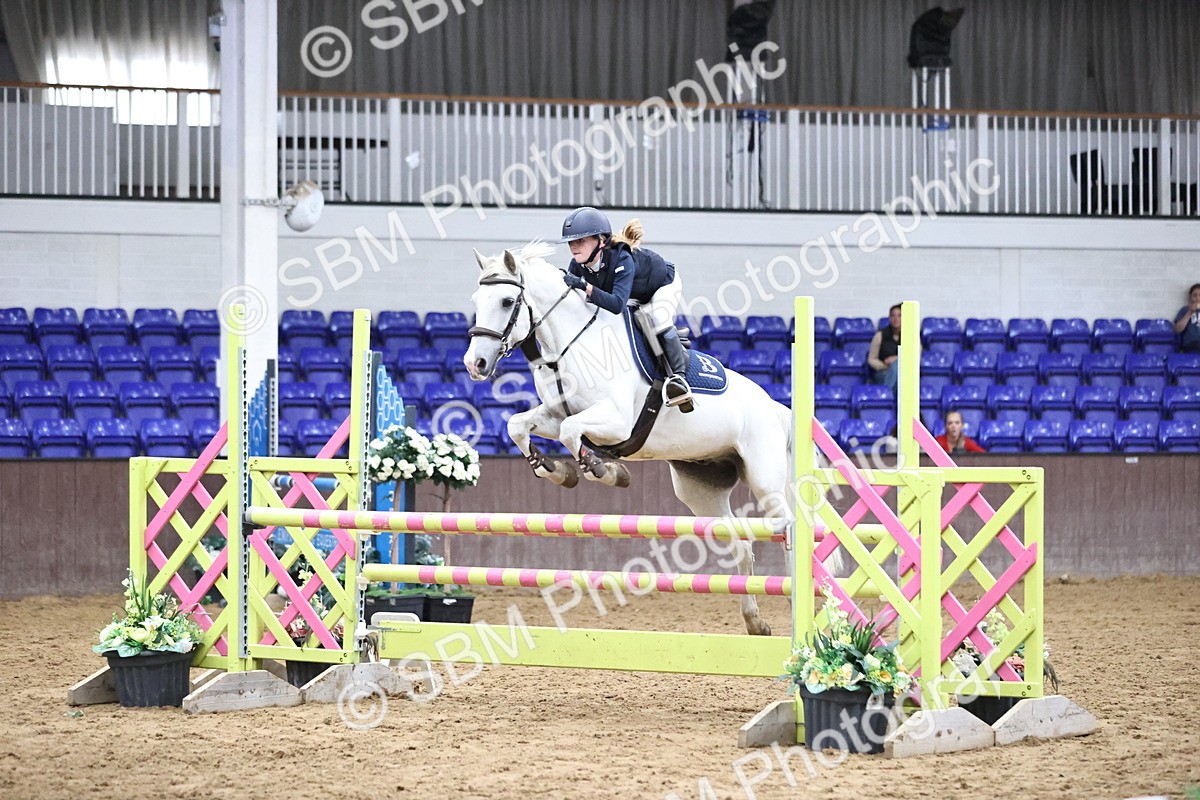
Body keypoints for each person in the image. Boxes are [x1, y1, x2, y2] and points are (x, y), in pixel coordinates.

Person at [559, 207, 694, 411]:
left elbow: (616, 305)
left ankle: (679, 378)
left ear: (601, 241)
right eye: (571, 242)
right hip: (634, 293)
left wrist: (585, 286)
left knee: (657, 318)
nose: (573, 246)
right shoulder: (577, 265)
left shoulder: (622, 259)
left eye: (580, 241)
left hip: (662, 284)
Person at [867, 303, 902, 389]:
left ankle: (887, 393)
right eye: (893, 315)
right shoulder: (880, 335)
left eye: (899, 315)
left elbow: (916, 356)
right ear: (889, 318)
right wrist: (885, 366)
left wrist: (896, 359)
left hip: (904, 373)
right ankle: (889, 392)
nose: (896, 319)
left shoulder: (911, 337)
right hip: (884, 372)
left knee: (897, 367)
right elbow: (871, 359)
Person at [1173, 283, 1200, 353]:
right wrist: (1190, 312)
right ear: (1190, 298)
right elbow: (1177, 329)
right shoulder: (1185, 310)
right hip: (1192, 344)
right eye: (1195, 295)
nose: (1198, 298)